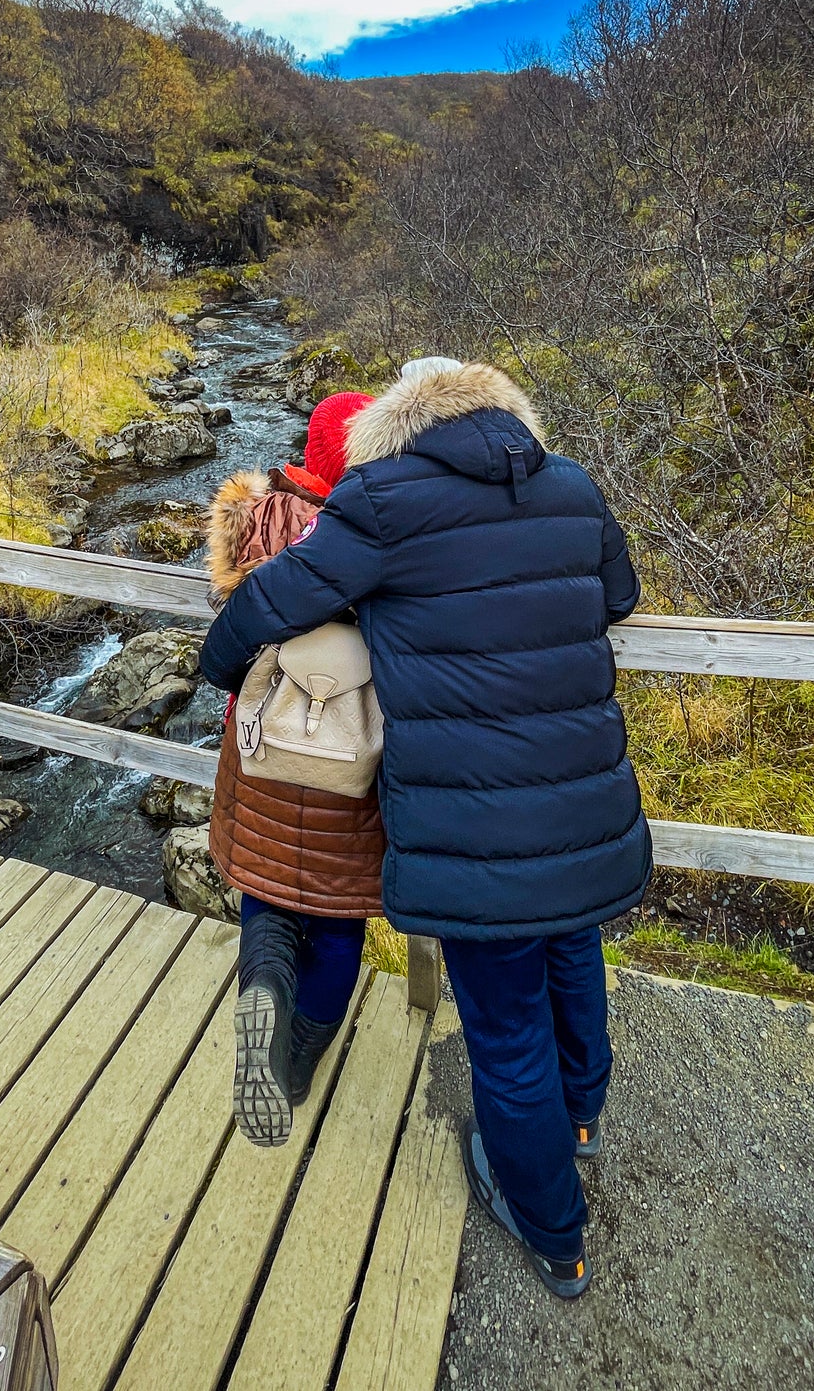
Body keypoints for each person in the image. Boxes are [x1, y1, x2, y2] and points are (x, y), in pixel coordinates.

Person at [198, 355, 648, 1298]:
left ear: (398, 423)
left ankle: (552, 1230)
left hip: (473, 818)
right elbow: (617, 597)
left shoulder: (385, 499)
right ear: (502, 411)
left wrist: (221, 658)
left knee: (504, 1026)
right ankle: (582, 1120)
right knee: (574, 952)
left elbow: (274, 601)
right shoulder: (568, 484)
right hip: (585, 798)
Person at [202, 387, 383, 1148]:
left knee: (269, 889)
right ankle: (301, 1060)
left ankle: (266, 991)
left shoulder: (254, 514)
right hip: (348, 751)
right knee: (338, 919)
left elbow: (227, 632)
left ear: (309, 450)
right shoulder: (378, 531)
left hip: (261, 744)